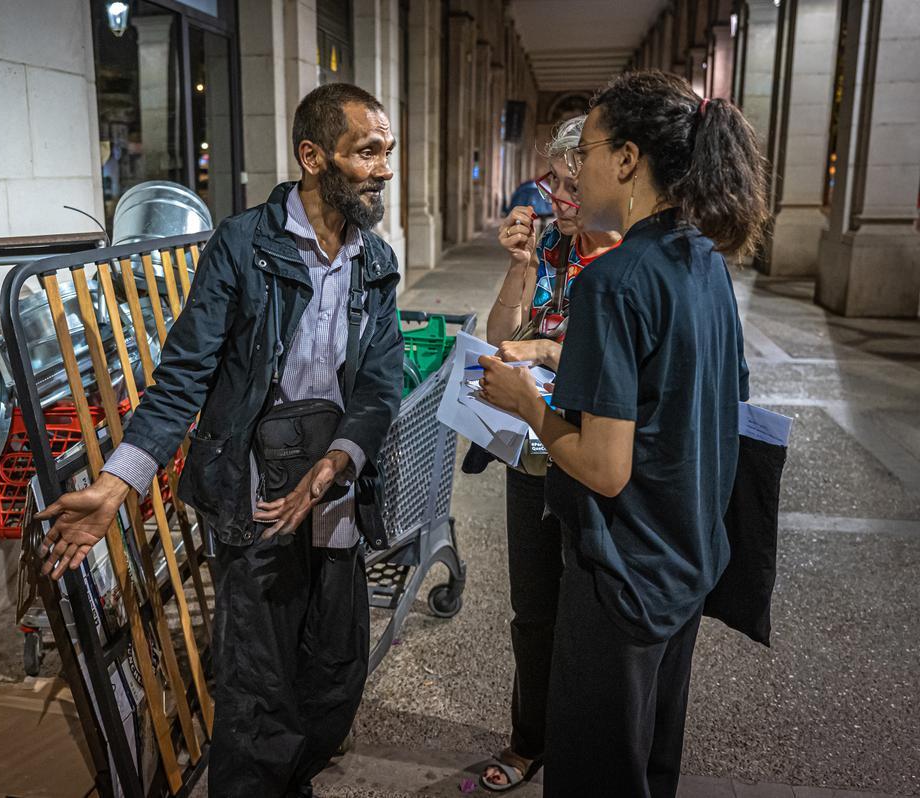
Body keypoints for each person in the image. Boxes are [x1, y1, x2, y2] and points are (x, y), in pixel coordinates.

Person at [37, 83, 404, 798]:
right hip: (255, 489)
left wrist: (335, 463)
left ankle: (296, 772)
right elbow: (183, 380)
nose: (385, 167)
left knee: (335, 670)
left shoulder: (375, 260)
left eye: (387, 150)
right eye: (368, 150)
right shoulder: (241, 249)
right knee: (258, 685)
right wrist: (118, 483)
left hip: (331, 487)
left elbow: (380, 384)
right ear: (312, 155)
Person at [477, 70, 765, 797]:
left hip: (623, 572)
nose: (575, 171)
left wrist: (527, 404)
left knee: (596, 771)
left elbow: (603, 468)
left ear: (629, 159)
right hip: (686, 558)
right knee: (646, 764)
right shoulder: (702, 259)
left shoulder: (615, 281)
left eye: (594, 149)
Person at [478, 114, 622, 792]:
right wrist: (521, 266)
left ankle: (584, 747)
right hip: (532, 456)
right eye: (551, 185)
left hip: (594, 458)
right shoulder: (557, 253)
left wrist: (544, 350)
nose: (556, 201)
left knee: (589, 618)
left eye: (570, 185)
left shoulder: (625, 262)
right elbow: (501, 331)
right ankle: (529, 737)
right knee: (532, 612)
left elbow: (616, 366)